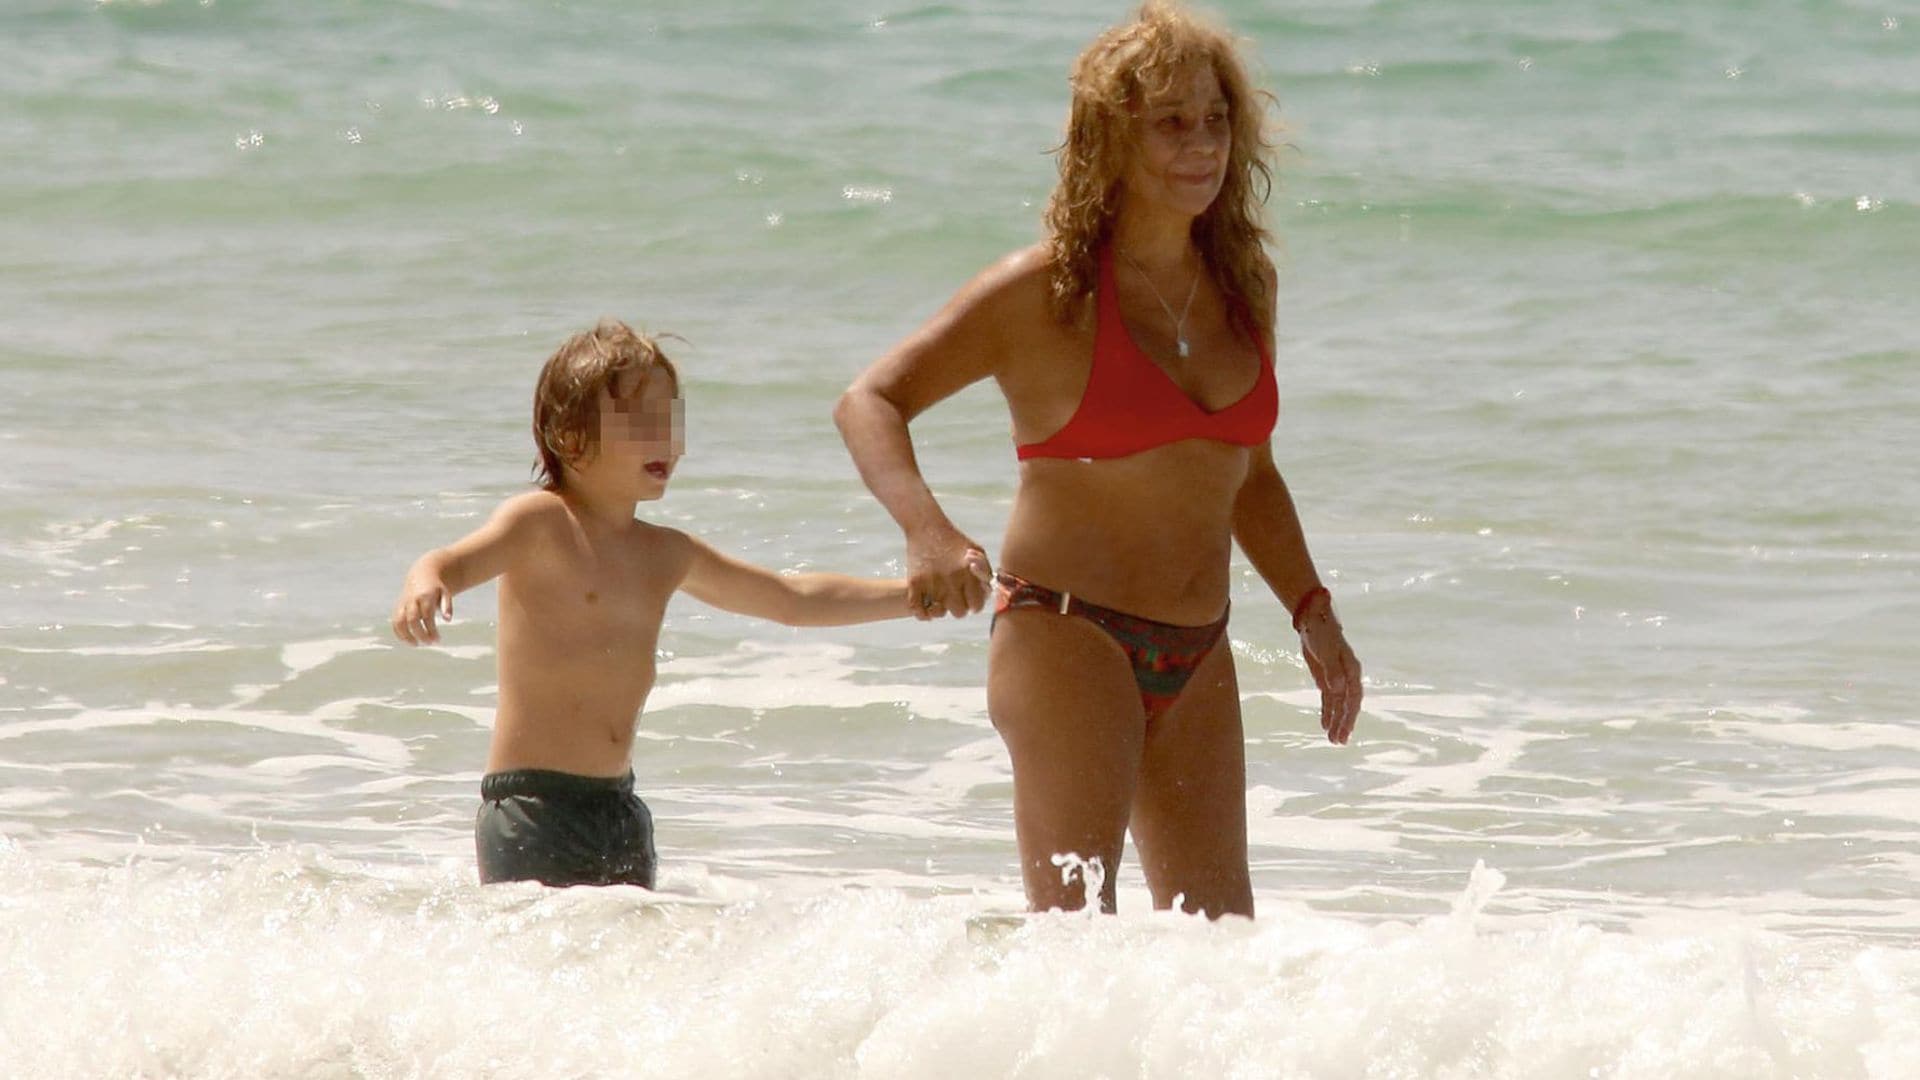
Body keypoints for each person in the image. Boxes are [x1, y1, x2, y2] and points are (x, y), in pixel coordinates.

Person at [834, 1, 1362, 918]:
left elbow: (1252, 472)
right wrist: (928, 531)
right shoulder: (1044, 293)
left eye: (1216, 119)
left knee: (1220, 943)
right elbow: (871, 401)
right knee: (1075, 938)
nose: (1202, 144)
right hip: (1068, 635)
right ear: (1111, 139)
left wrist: (1312, 610)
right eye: (1171, 122)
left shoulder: (1245, 285)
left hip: (1198, 652)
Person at [392, 318, 918, 889]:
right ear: (571, 438)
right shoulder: (541, 523)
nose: (664, 436)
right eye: (642, 421)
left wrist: (915, 598)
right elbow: (452, 560)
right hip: (534, 807)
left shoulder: (666, 553)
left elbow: (791, 599)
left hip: (619, 810)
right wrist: (426, 582)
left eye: (671, 419)